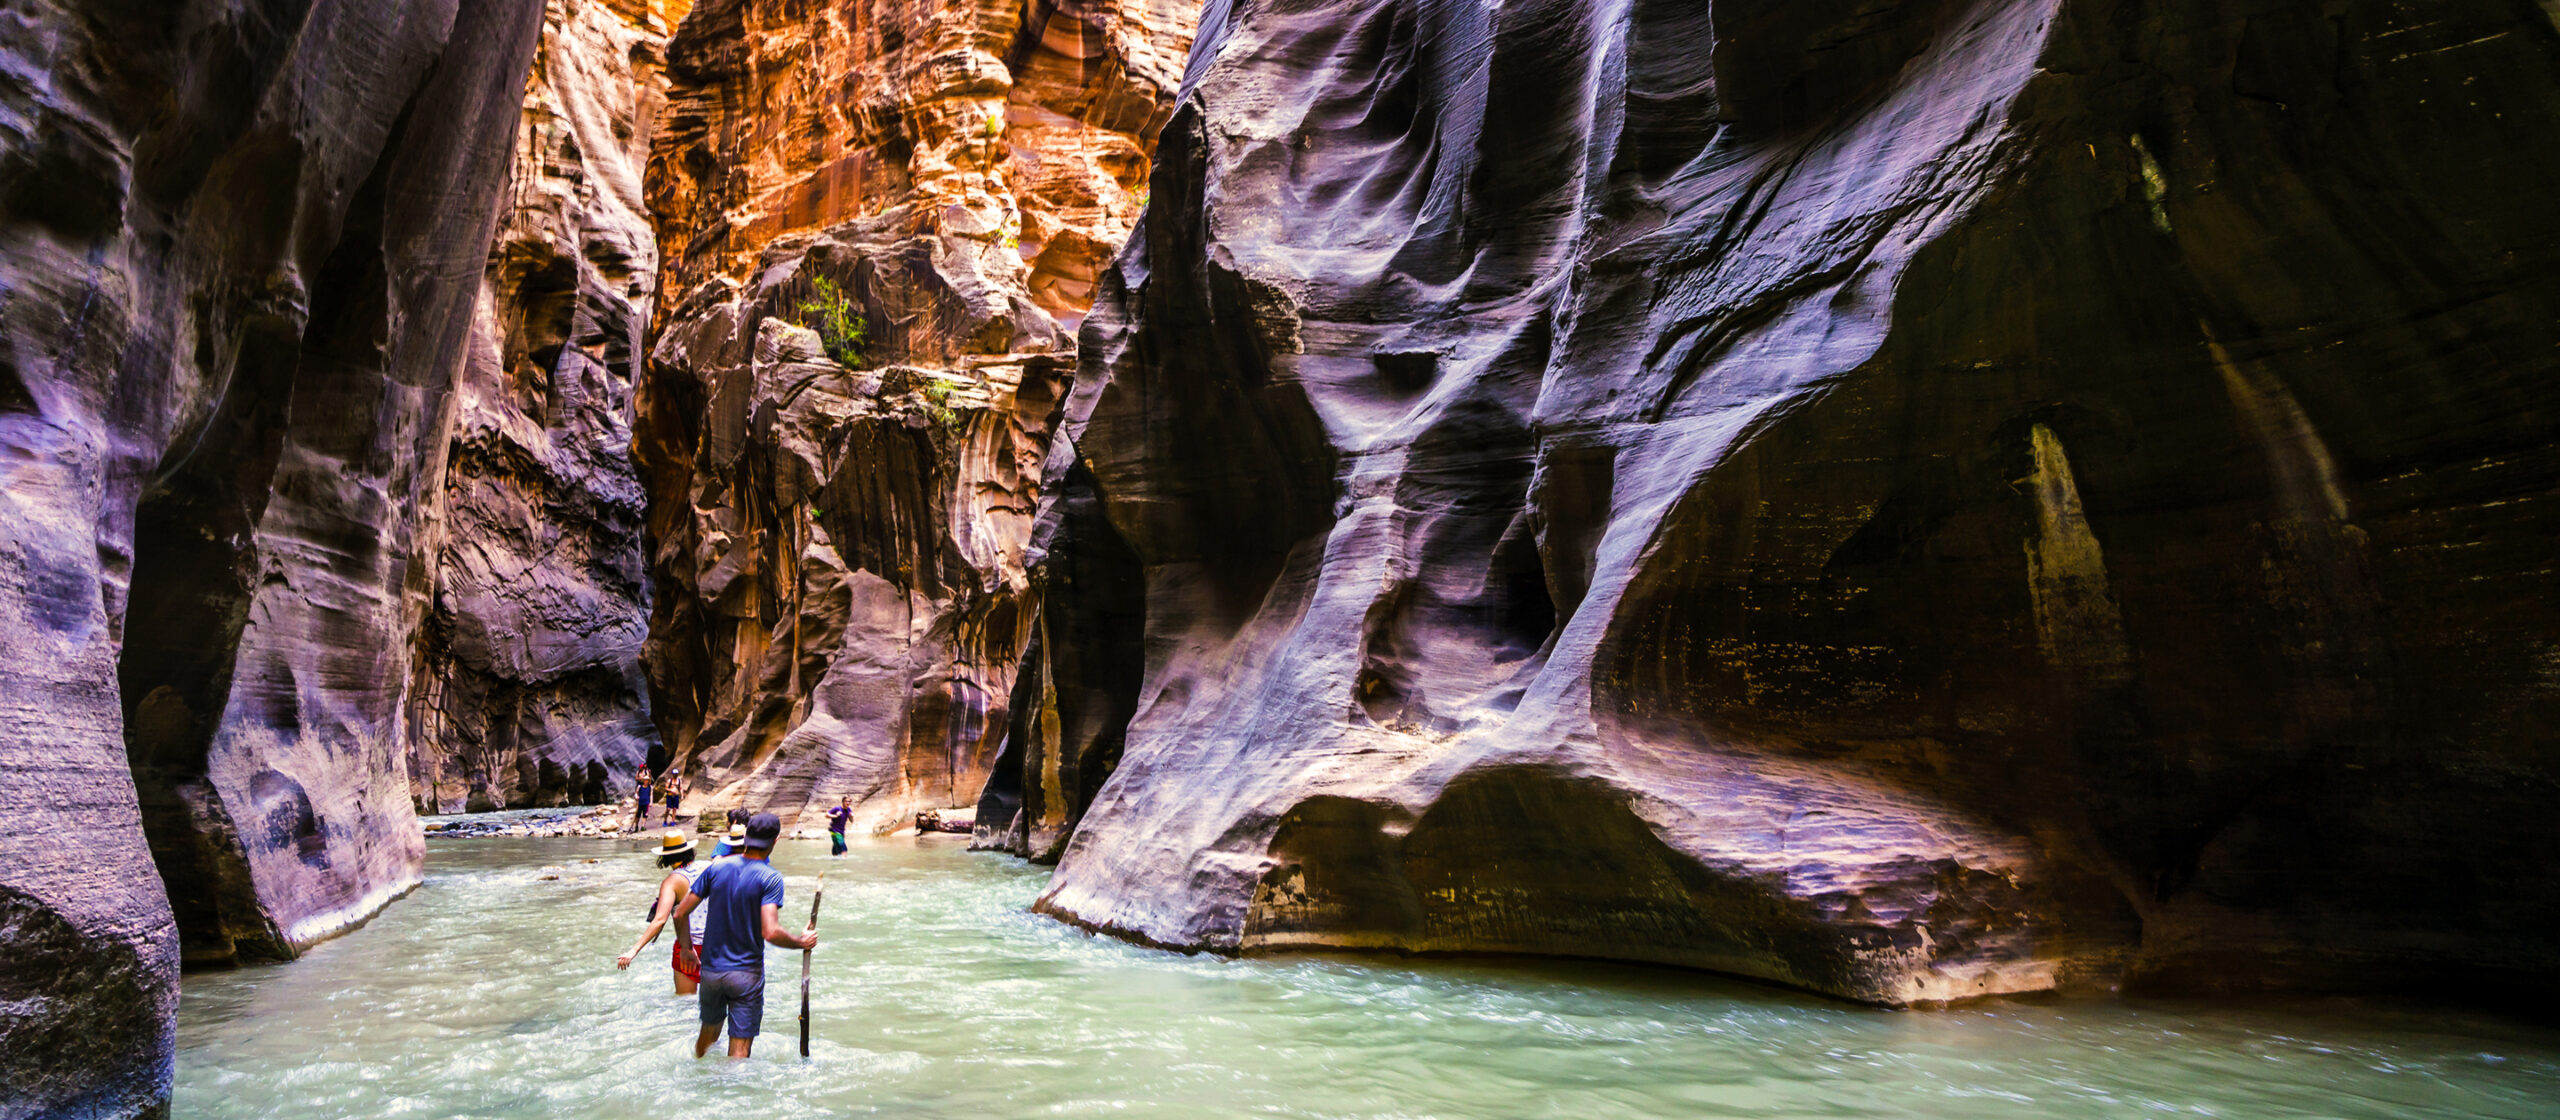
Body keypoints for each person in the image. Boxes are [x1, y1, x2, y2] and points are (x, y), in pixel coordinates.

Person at [671, 812, 816, 1059]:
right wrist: (801, 942)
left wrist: (687, 949)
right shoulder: (770, 878)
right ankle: (730, 1094)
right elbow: (770, 932)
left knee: (706, 1039)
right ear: (776, 840)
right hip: (746, 976)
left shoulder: (716, 868)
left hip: (711, 973)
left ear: (745, 837)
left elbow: (679, 913)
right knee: (739, 1052)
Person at [614, 831, 704, 994]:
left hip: (689, 947)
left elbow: (660, 919)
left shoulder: (672, 882)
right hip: (717, 945)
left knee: (686, 1003)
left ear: (666, 857)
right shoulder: (709, 867)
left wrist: (634, 950)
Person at [632, 768, 654, 833]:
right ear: (643, 781)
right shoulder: (639, 786)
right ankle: (636, 826)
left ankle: (643, 826)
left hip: (646, 802)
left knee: (645, 815)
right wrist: (636, 796)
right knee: (638, 815)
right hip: (640, 802)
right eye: (645, 780)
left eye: (647, 780)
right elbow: (636, 793)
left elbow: (651, 795)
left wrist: (651, 802)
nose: (646, 781)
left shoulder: (650, 787)